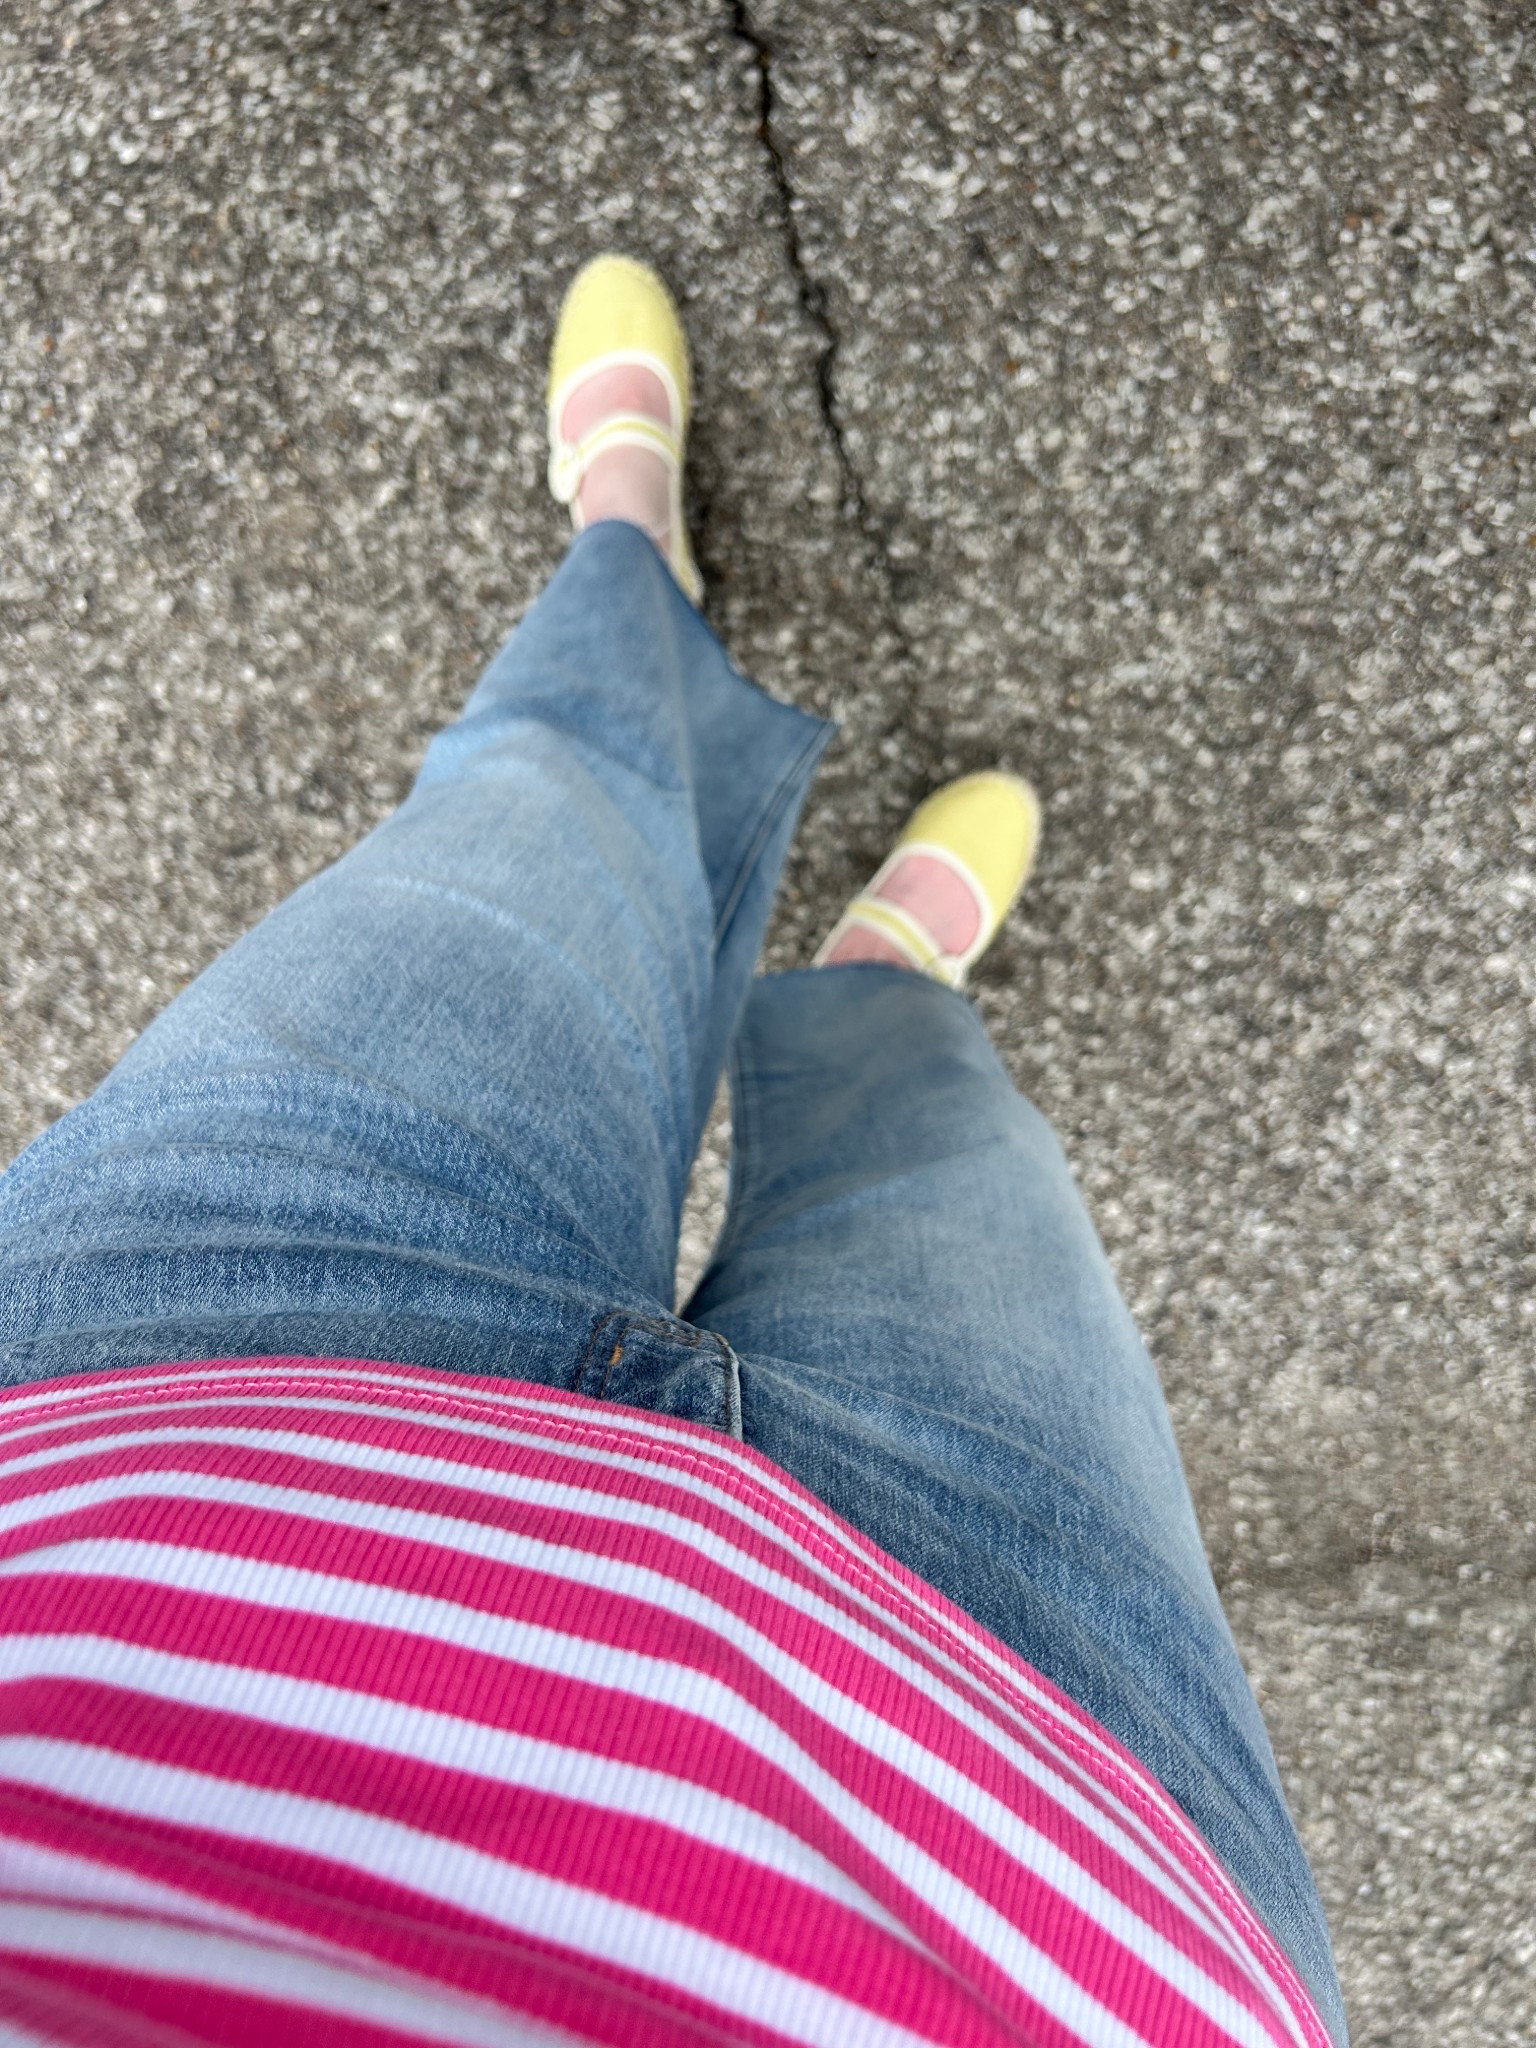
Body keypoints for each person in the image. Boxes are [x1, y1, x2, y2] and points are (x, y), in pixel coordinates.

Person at [0, 255, 1346, 2048]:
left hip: (160, 1454)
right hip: (1044, 1833)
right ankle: (878, 985)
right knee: (949, 1148)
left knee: (537, 810)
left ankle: (624, 543)